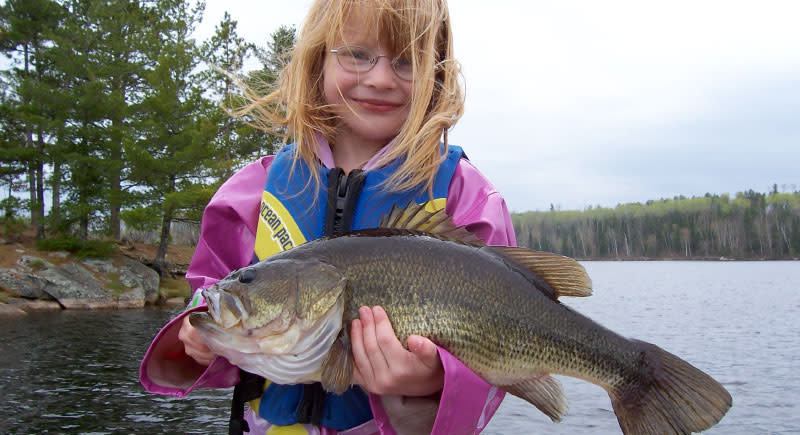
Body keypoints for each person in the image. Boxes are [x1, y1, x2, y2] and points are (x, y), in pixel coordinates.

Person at [139, 0, 517, 433]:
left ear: (436, 75)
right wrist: (194, 334)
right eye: (357, 55)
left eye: (407, 61)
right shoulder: (253, 193)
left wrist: (433, 384)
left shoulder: (464, 197)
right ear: (317, 60)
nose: (380, 78)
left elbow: (507, 336)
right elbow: (212, 291)